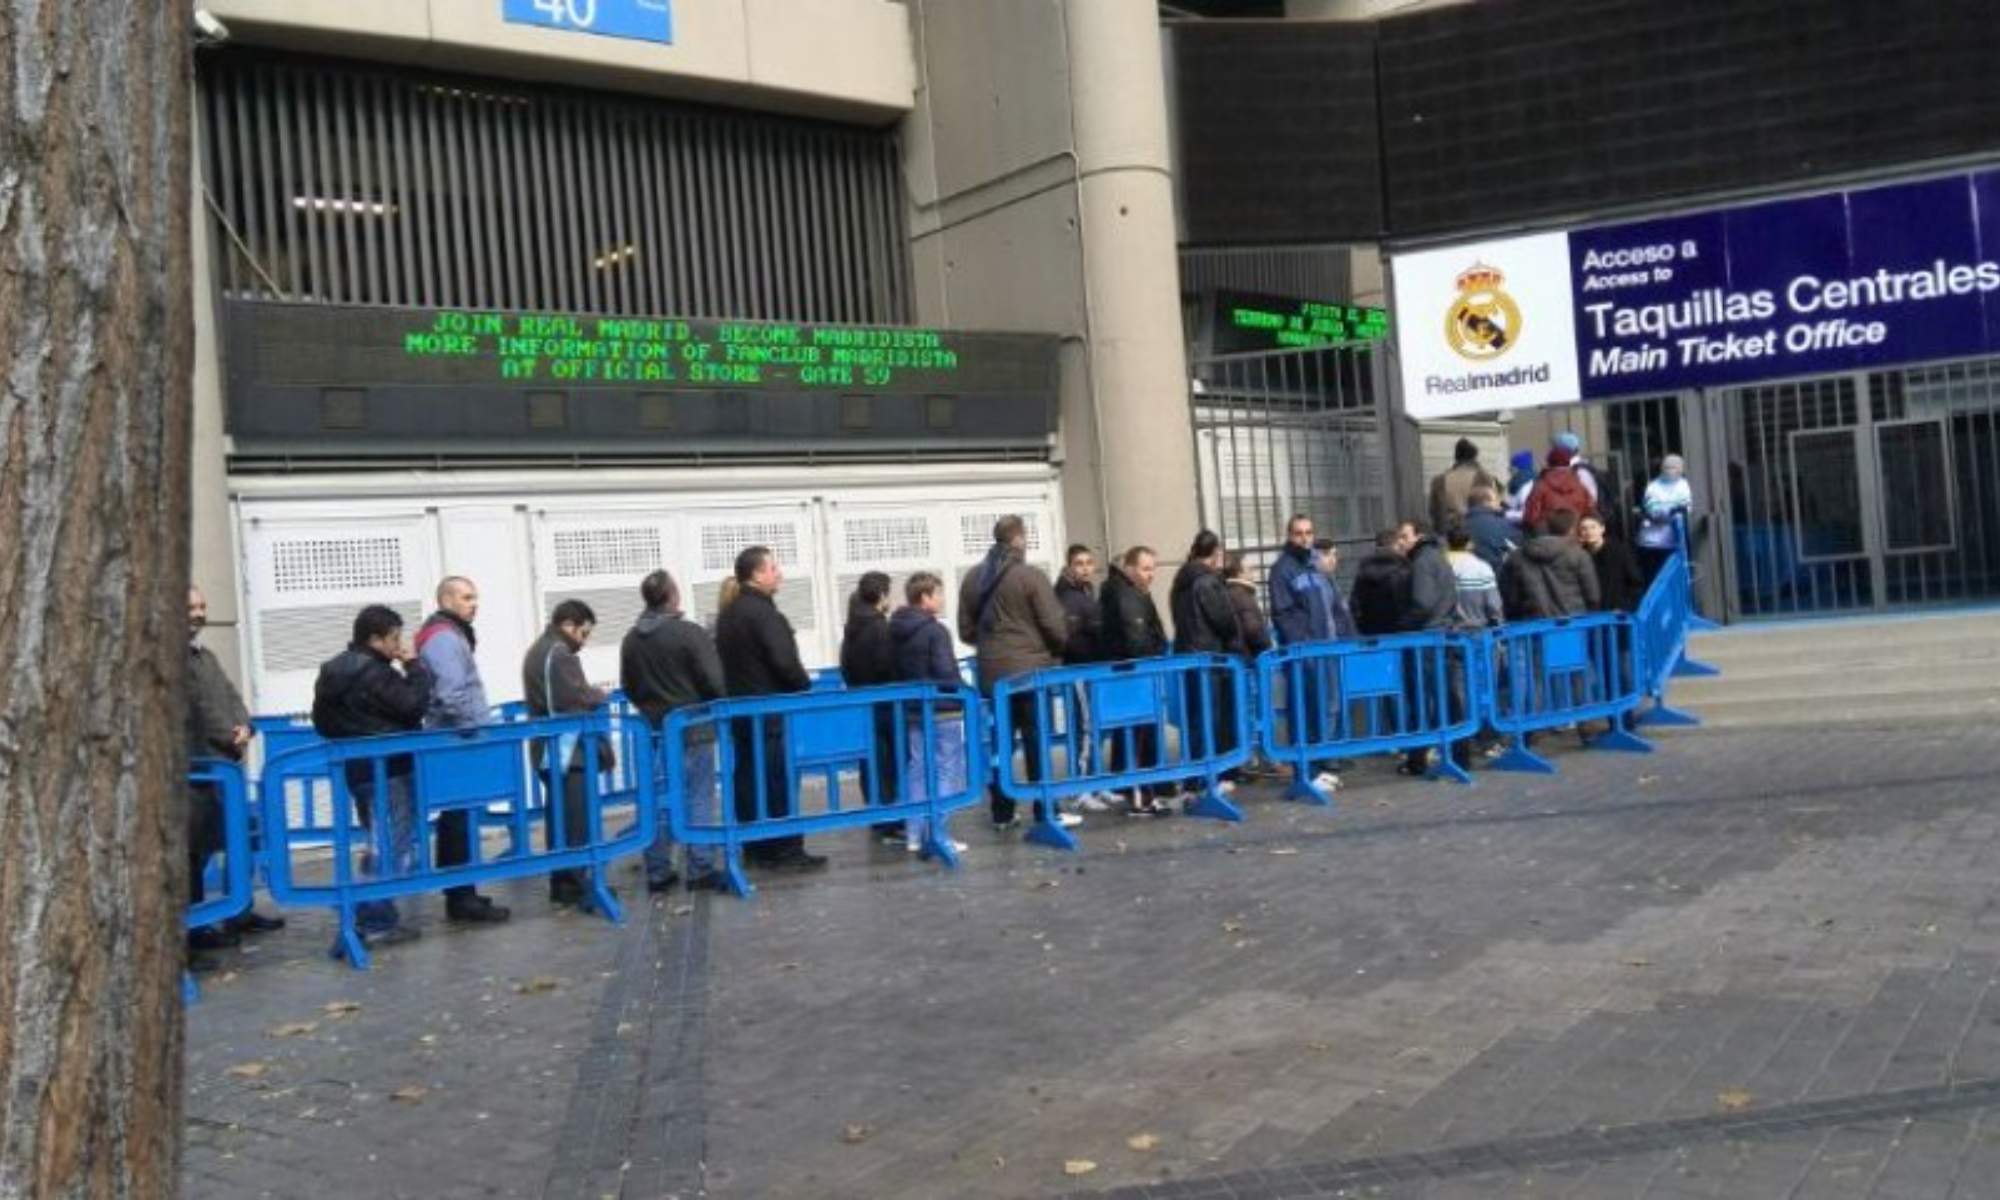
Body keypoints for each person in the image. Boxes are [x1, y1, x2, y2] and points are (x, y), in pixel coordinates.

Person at [310, 605, 432, 949]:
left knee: (378, 841)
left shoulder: (332, 670)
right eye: (394, 638)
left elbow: (323, 722)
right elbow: (412, 705)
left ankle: (369, 913)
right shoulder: (377, 672)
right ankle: (375, 918)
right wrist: (414, 666)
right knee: (392, 845)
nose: (399, 644)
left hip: (358, 769)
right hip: (389, 768)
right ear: (375, 639)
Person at [957, 516, 1081, 832]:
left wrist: (992, 645)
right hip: (1029, 674)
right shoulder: (1029, 577)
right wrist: (1051, 647)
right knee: (1036, 740)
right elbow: (1055, 627)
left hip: (991, 675)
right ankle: (1045, 809)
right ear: (1020, 540)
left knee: (1001, 743)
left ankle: (1002, 810)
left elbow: (966, 630)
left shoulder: (973, 578)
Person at [185, 586, 281, 968]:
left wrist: (244, 725)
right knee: (190, 852)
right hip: (197, 770)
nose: (199, 612)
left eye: (202, 605)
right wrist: (228, 734)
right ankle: (190, 933)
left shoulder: (204, 656)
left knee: (228, 842)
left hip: (221, 767)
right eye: (191, 606)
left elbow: (229, 696)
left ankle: (234, 912)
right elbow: (198, 711)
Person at [715, 546, 827, 871]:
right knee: (775, 778)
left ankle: (756, 843)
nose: (779, 574)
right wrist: (802, 684)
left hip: (742, 710)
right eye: (774, 568)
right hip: (766, 709)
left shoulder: (729, 614)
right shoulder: (763, 614)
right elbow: (783, 660)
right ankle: (784, 848)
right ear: (757, 574)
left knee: (750, 775)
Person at [620, 569, 728, 893]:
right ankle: (700, 866)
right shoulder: (689, 633)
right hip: (693, 728)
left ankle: (657, 869)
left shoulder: (631, 639)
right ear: (673, 596)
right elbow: (715, 682)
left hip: (653, 731)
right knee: (698, 798)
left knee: (659, 799)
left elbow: (629, 686)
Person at [413, 576, 511, 925]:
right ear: (447, 600)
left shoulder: (447, 635)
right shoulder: (444, 639)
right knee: (457, 818)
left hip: (455, 740)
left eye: (475, 597)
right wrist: (473, 729)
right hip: (455, 742)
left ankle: (464, 892)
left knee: (460, 817)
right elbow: (452, 693)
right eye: (467, 597)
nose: (474, 604)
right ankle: (460, 897)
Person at [523, 600, 615, 906]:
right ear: (568, 626)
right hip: (567, 749)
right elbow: (574, 696)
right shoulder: (559, 654)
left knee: (559, 818)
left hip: (551, 748)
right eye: (583, 634)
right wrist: (600, 694)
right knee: (576, 819)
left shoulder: (540, 650)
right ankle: (576, 883)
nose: (583, 642)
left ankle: (563, 880)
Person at [890, 572, 969, 856]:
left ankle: (913, 833)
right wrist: (965, 691)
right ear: (925, 597)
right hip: (943, 710)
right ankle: (937, 833)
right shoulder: (935, 630)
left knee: (917, 769)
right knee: (946, 769)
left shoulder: (895, 628)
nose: (942, 599)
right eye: (938, 593)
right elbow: (946, 672)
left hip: (912, 710)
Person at [1099, 545, 1175, 817]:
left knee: (1133, 736)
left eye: (1153, 569)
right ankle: (1141, 797)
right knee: (1139, 737)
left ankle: (1139, 792)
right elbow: (1138, 640)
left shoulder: (1127, 592)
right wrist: (1156, 651)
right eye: (1145, 569)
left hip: (1131, 674)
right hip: (1135, 675)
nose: (1150, 574)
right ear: (1129, 568)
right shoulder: (1127, 596)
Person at [1169, 530, 1245, 789]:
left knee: (1196, 719)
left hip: (1189, 654)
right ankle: (1207, 776)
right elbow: (1223, 619)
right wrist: (1234, 638)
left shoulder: (1182, 580)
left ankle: (1196, 775)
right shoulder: (1207, 582)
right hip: (1210, 656)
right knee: (1209, 718)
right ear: (1214, 554)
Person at [1400, 520, 1468, 775]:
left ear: (1419, 536)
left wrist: (1403, 624)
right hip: (1442, 633)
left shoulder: (1422, 562)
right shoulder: (1439, 557)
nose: (1402, 541)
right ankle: (1458, 753)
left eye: (1405, 536)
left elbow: (1422, 602)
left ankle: (1420, 758)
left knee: (1425, 699)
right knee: (1447, 697)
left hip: (1427, 637)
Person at [838, 571, 902, 842]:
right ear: (882, 595)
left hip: (861, 700)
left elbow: (846, 666)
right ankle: (891, 819)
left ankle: (878, 816)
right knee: (889, 762)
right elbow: (887, 665)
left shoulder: (852, 627)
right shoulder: (880, 627)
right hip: (884, 702)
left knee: (871, 760)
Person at [1268, 515, 1345, 649]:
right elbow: (1284, 616)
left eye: (1309, 533)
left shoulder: (1319, 564)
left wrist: (1343, 633)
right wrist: (1303, 642)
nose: (1305, 539)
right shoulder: (1281, 570)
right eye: (1299, 534)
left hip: (1333, 648)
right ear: (1290, 536)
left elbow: (1337, 605)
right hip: (1306, 653)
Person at [1506, 509, 1601, 618]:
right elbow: (1593, 596)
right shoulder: (1579, 555)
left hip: (1533, 625)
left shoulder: (1517, 557)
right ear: (1572, 530)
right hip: (1575, 622)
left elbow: (1511, 597)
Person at [1637, 454, 1695, 581]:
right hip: (1654, 542)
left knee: (1678, 575)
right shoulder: (1653, 486)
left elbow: (1686, 506)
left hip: (1675, 537)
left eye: (1675, 467)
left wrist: (1673, 510)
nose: (1671, 470)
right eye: (1668, 467)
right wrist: (1670, 510)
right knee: (1657, 576)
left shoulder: (1683, 484)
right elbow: (1652, 509)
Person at [1350, 526, 1414, 637]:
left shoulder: (1364, 569)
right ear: (1396, 545)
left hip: (1372, 636)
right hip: (1401, 636)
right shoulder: (1403, 568)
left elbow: (1355, 605)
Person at [1429, 438, 1501, 533]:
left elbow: (1433, 511)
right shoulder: (1484, 478)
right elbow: (1493, 508)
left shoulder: (1438, 480)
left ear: (1456, 457)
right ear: (1474, 457)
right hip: (1476, 532)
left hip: (1447, 533)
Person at [1523, 445, 1598, 532]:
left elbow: (1531, 513)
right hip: (1575, 531)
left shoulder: (1541, 485)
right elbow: (1590, 507)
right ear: (1568, 462)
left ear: (1549, 462)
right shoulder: (1579, 485)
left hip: (1548, 533)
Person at [1579, 514, 1645, 613]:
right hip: (1592, 613)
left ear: (1602, 529)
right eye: (1584, 528)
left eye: (1593, 527)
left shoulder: (1619, 551)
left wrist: (1625, 606)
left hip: (1617, 612)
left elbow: (1635, 581)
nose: (1589, 532)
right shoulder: (1580, 555)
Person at [1446, 527, 1504, 629]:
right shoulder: (1482, 567)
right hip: (1478, 632)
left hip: (1444, 636)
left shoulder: (1439, 564)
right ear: (1470, 544)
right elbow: (1493, 604)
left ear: (1447, 543)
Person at [1054, 544, 1102, 666]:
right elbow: (1072, 638)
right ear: (1069, 567)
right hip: (1079, 665)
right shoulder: (1066, 595)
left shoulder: (1086, 589)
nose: (1086, 568)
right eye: (1079, 564)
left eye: (1089, 563)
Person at [1462, 484, 1519, 575]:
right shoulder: (1504, 525)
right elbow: (1519, 548)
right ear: (1486, 502)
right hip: (1497, 577)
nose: (1499, 503)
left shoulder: (1459, 525)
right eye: (1496, 500)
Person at [1504, 449, 1537, 525]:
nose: (1510, 472)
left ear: (1518, 468)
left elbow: (1525, 513)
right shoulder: (1519, 483)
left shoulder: (1526, 485)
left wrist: (1505, 513)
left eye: (1511, 469)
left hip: (1524, 527)